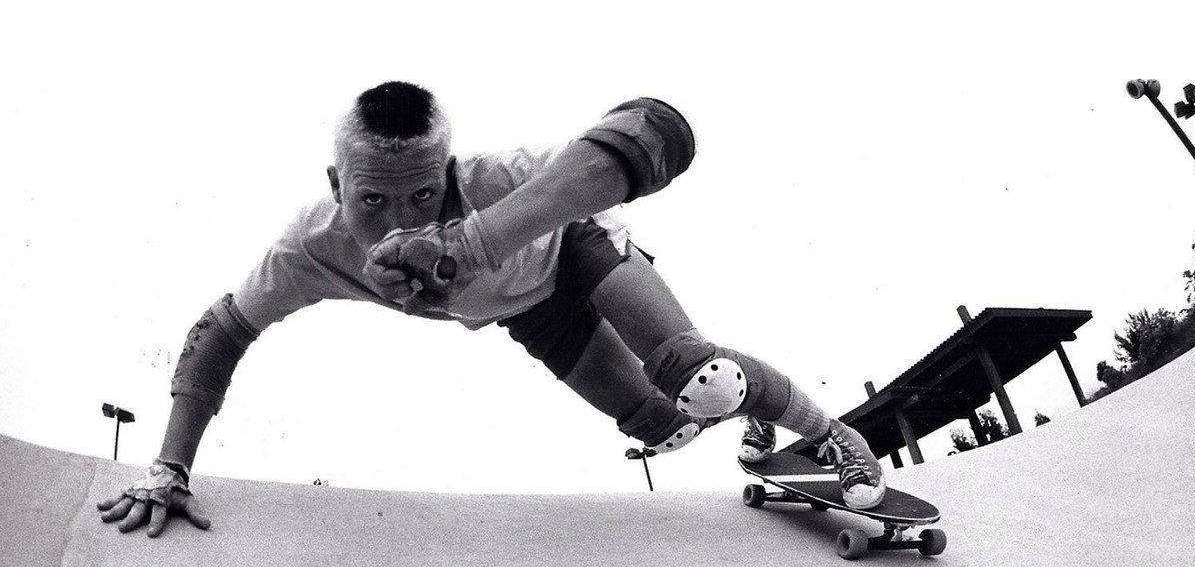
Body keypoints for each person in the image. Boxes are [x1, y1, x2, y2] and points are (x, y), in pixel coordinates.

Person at [97, 82, 885, 538]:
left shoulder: (499, 178)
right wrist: (169, 467)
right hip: (531, 315)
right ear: (336, 187)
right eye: (371, 201)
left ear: (449, 171)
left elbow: (658, 130)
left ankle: (833, 434)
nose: (398, 219)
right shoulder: (309, 248)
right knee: (665, 425)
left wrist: (470, 243)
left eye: (423, 194)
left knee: (696, 374)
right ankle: (752, 416)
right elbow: (221, 333)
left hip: (575, 250)